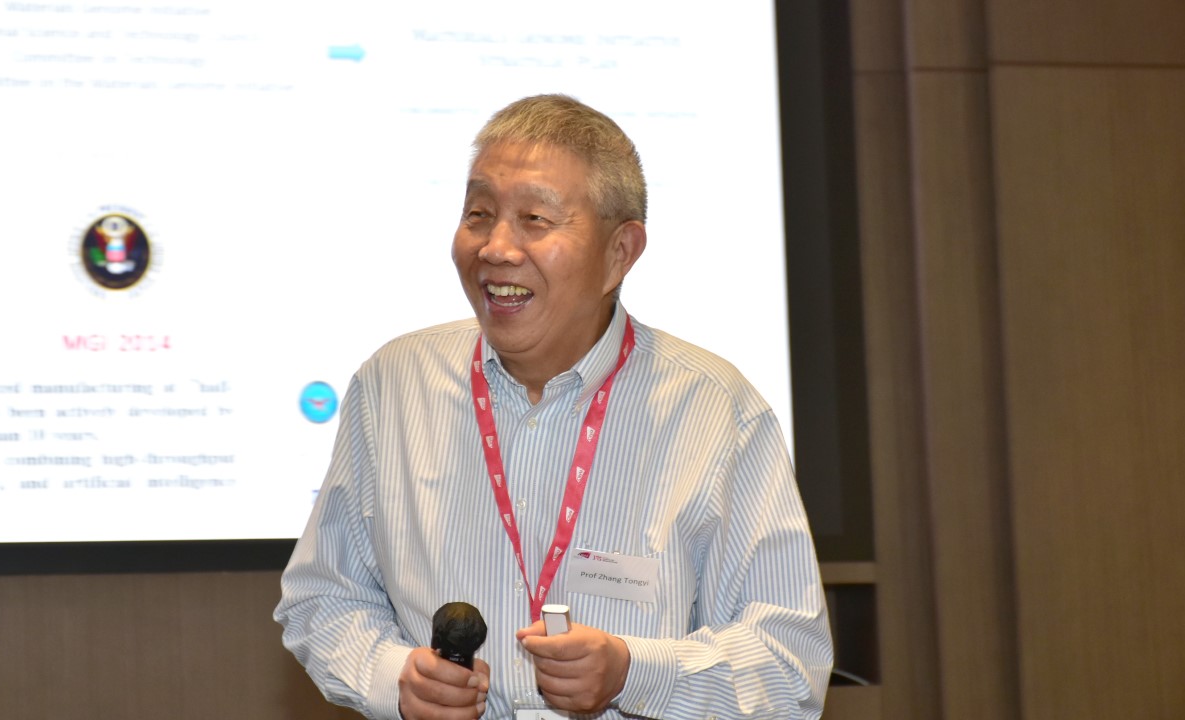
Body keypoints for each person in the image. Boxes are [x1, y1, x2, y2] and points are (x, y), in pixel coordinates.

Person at [274, 94, 832, 719]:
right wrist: (394, 678)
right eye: (479, 213)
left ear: (620, 253)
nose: (496, 248)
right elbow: (323, 597)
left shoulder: (717, 411)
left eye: (535, 219)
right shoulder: (394, 387)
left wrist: (634, 673)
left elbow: (790, 665)